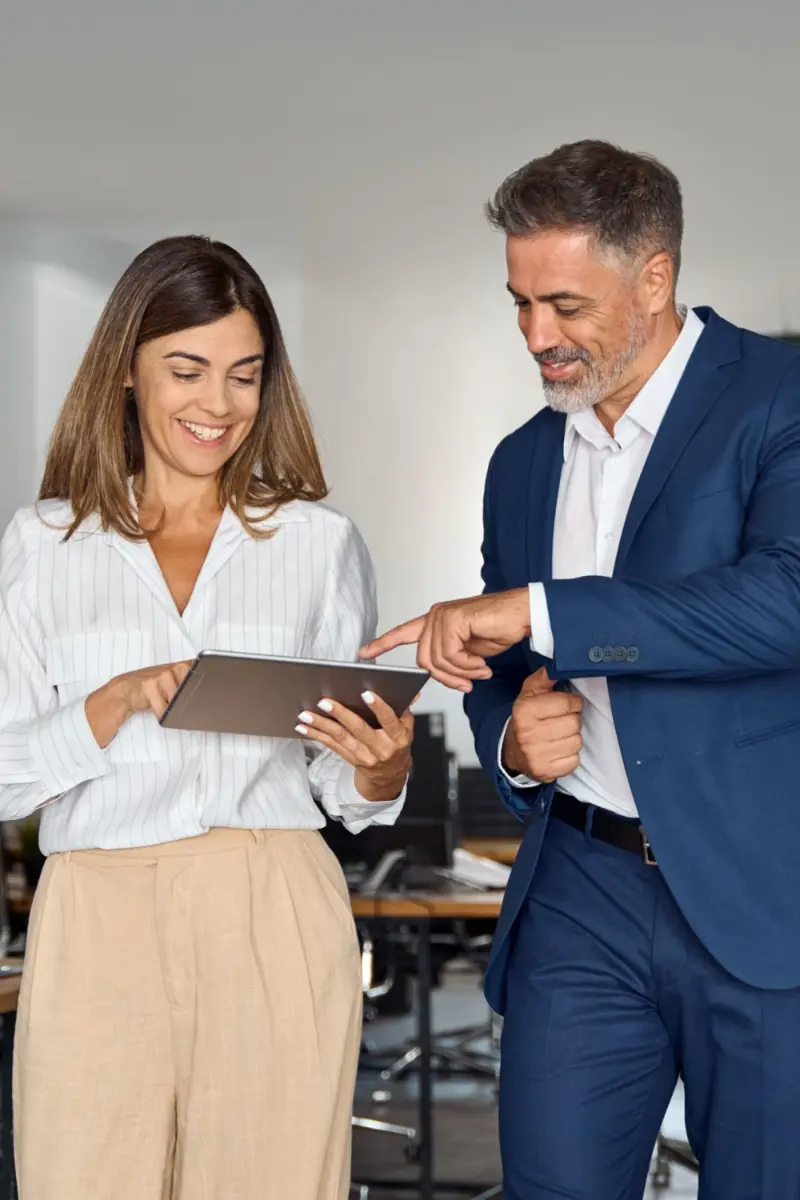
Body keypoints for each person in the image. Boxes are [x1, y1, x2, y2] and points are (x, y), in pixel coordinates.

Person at [363, 140, 800, 1198]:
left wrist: (540, 610)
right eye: (517, 303)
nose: (534, 335)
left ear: (653, 275)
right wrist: (511, 739)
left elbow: (784, 598)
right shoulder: (521, 460)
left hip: (761, 890)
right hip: (579, 893)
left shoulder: (779, 397)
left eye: (562, 304)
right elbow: (502, 667)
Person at [0, 235, 415, 1200]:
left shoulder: (319, 544)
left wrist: (378, 772)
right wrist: (104, 707)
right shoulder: (44, 545)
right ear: (128, 376)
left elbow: (333, 775)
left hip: (271, 897)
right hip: (97, 907)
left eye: (244, 376)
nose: (218, 406)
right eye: (187, 371)